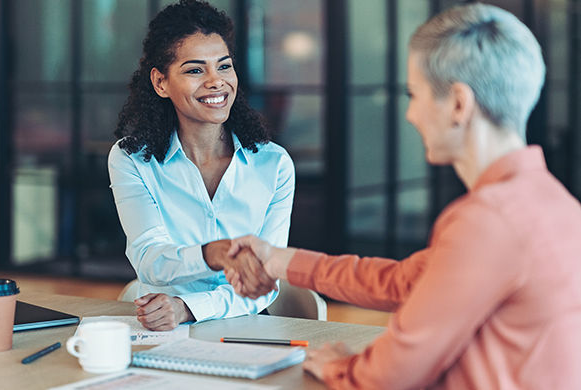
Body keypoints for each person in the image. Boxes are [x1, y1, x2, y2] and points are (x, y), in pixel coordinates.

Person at [226, 3, 581, 389]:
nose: (411, 114)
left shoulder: (486, 220)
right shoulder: (557, 204)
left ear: (459, 104)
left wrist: (339, 366)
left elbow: (385, 377)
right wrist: (278, 259)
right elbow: (404, 282)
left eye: (416, 94)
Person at [108, 0, 290, 331]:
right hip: (160, 330)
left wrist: (187, 308)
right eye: (195, 70)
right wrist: (212, 254)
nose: (216, 81)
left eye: (224, 66)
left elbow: (264, 282)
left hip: (244, 329)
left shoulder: (273, 164)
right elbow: (150, 261)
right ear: (161, 83)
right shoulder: (132, 159)